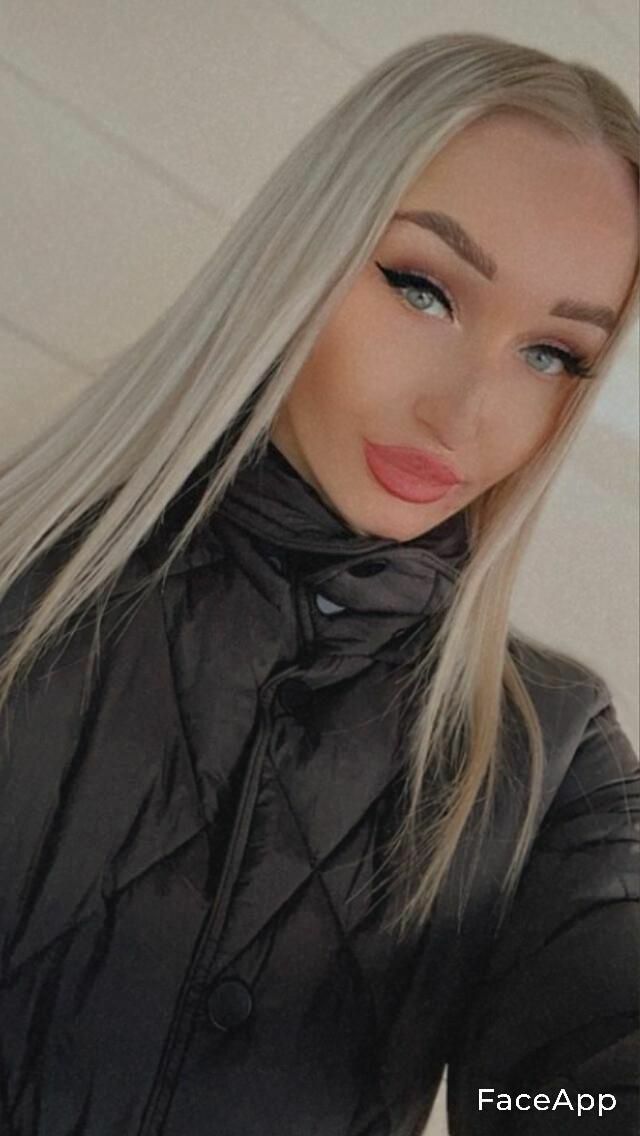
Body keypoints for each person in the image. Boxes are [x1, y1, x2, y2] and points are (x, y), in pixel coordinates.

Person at [0, 30, 638, 1136]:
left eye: (551, 355)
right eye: (422, 289)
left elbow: (573, 1085)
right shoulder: (26, 572)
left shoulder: (550, 751)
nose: (462, 415)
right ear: (305, 251)